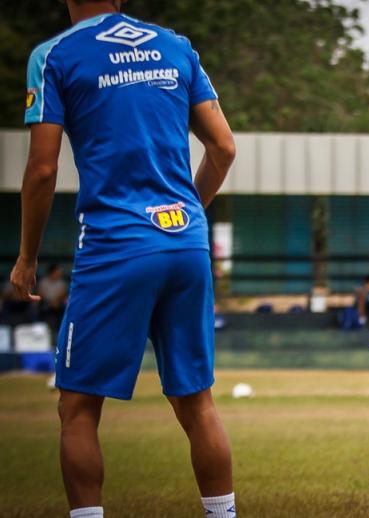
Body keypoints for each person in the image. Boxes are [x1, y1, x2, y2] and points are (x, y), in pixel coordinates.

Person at [10, 1, 237, 517]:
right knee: (197, 403)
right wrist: (185, 220)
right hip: (185, 242)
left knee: (78, 407)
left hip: (115, 246)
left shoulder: (54, 56)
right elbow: (223, 147)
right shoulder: (176, 47)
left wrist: (27, 258)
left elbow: (42, 171)